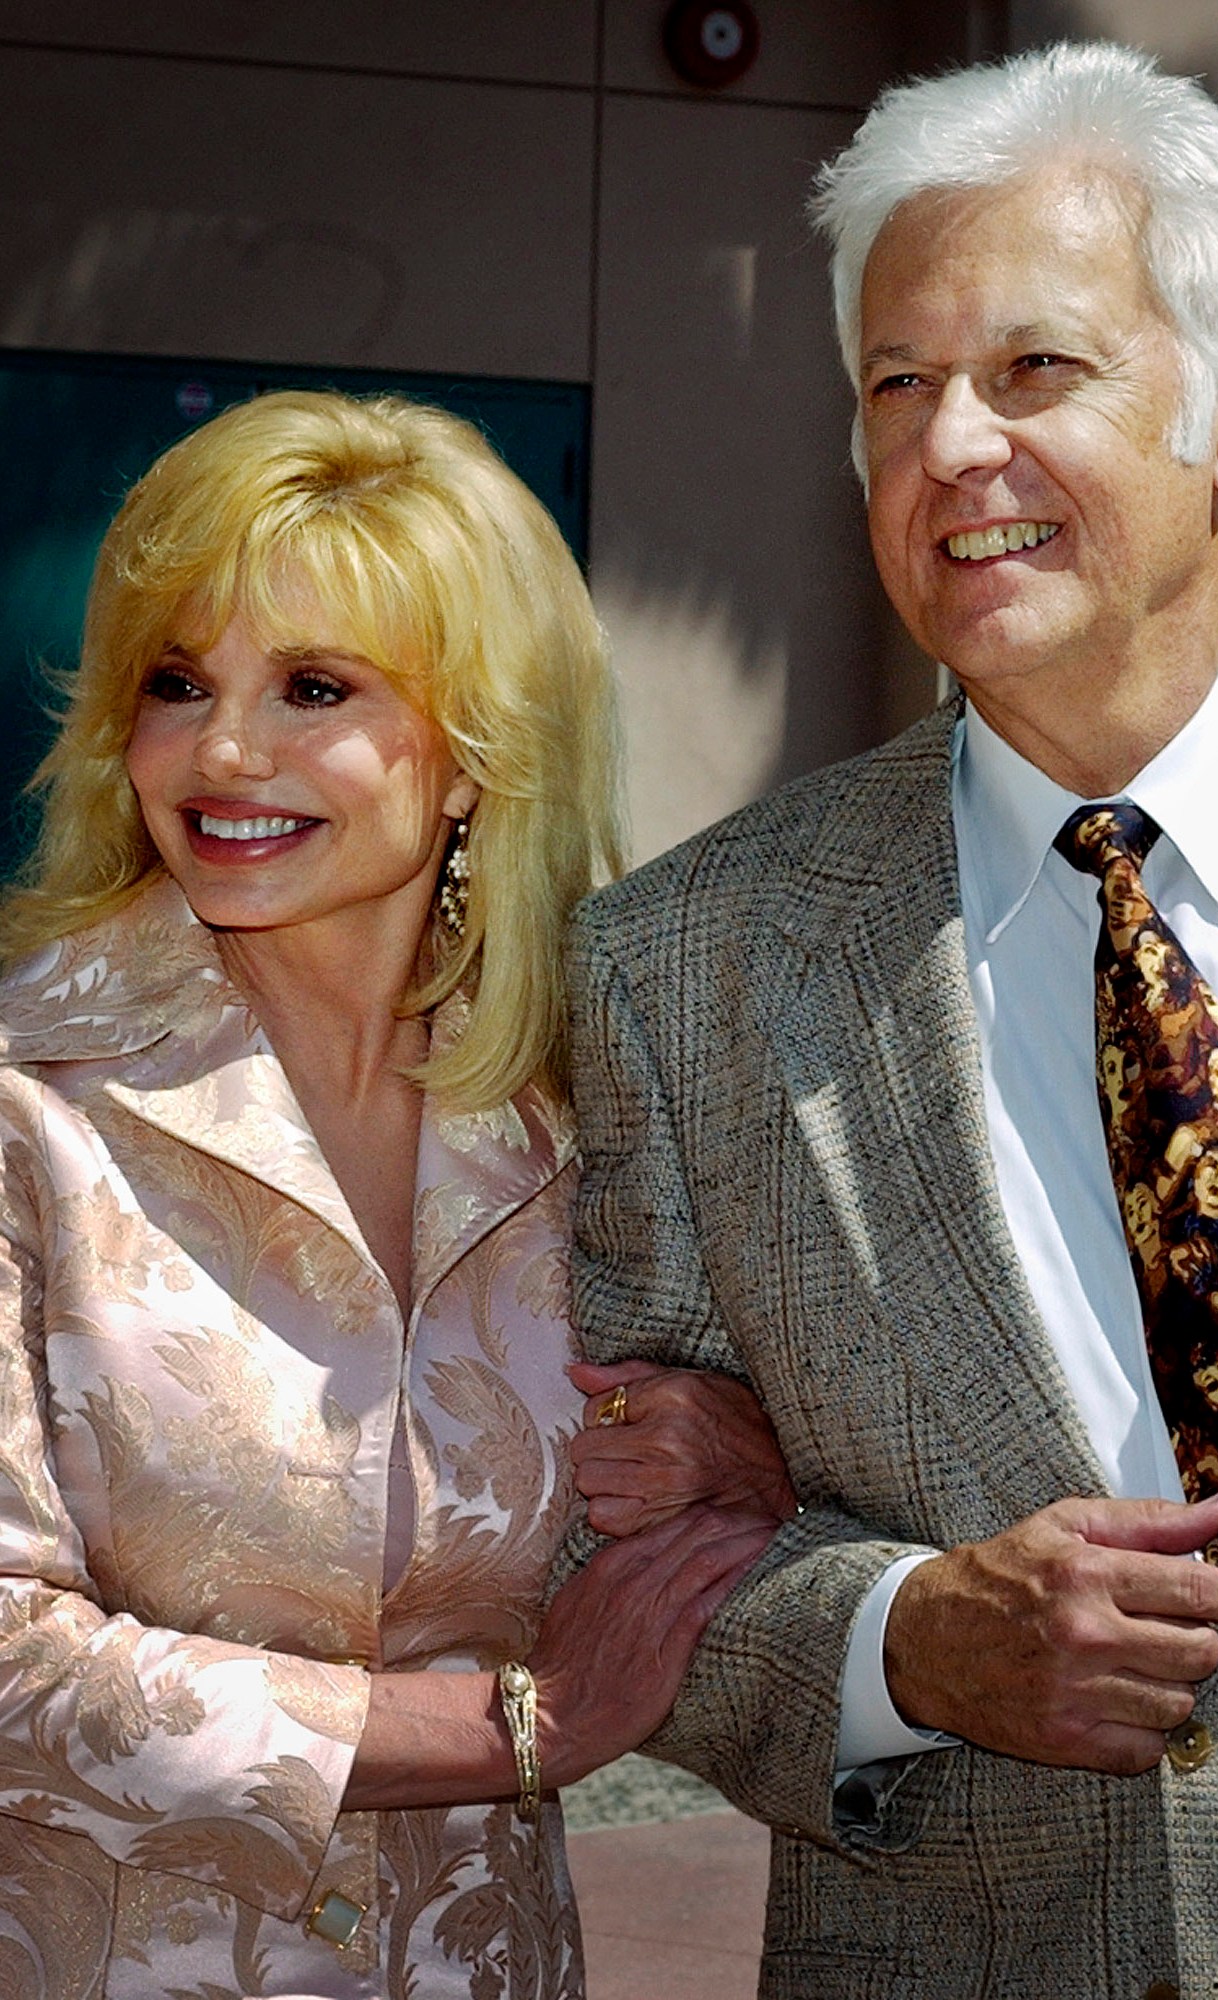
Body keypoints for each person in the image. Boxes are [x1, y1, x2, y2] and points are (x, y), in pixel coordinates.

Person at [568, 40, 1218, 1999]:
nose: (948, 444)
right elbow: (598, 1552)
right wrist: (900, 1642)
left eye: (1031, 370)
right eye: (895, 385)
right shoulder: (679, 968)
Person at [0, 388, 783, 2000]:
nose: (220, 752)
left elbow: (721, 1532)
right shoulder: (26, 1107)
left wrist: (741, 1460)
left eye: (312, 688)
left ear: (478, 755)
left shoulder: (594, 1118)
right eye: (175, 682)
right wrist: (509, 1724)